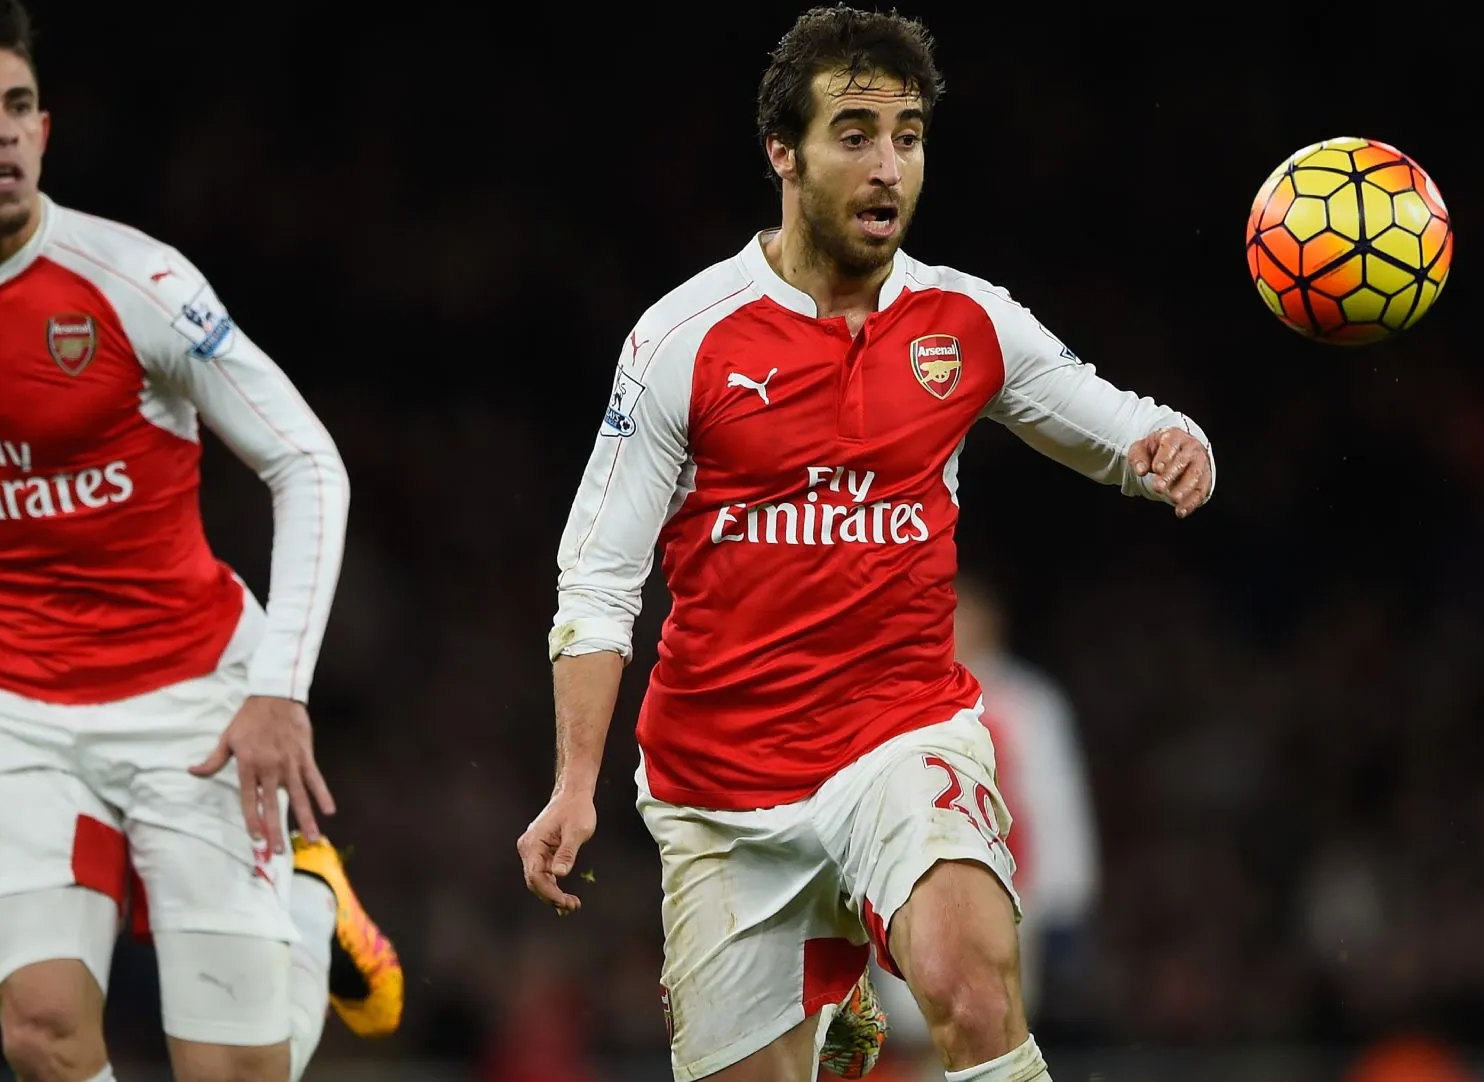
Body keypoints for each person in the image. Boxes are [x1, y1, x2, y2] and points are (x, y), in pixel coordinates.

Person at [515, 7, 1215, 1082]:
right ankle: (835, 978)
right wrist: (574, 782)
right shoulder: (682, 339)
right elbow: (599, 577)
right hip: (723, 783)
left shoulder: (966, 321)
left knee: (971, 983)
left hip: (901, 732)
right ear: (783, 154)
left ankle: (872, 949)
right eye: (854, 133)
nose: (888, 165)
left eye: (909, 134)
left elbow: (1121, 423)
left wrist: (1178, 442)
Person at [0, 1, 400, 1078]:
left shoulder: (140, 282)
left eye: (19, 107)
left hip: (199, 696)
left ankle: (313, 911)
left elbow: (306, 461)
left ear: (45, 130)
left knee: (232, 1070)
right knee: (41, 1031)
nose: (1, 131)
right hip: (20, 707)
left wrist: (280, 687)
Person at [867, 575, 1102, 1075]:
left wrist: (1065, 898)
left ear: (989, 622)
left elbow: (1054, 802)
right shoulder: (897, 695)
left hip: (1012, 896)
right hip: (909, 888)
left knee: (991, 1028)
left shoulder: (1027, 702)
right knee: (912, 1031)